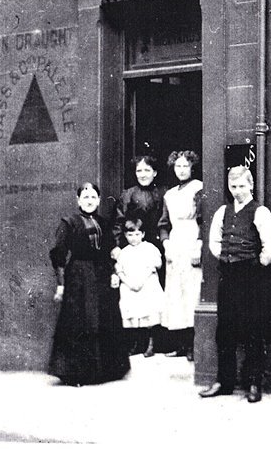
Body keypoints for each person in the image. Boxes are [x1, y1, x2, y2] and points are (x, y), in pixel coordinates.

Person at [199, 166, 271, 403]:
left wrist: (255, 263)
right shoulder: (222, 212)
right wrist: (226, 258)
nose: (237, 191)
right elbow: (214, 242)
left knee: (253, 330)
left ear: (251, 185)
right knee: (224, 331)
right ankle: (223, 382)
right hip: (228, 275)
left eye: (242, 186)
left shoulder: (260, 212)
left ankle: (253, 383)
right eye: (233, 186)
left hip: (251, 278)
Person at [48, 182, 130, 386]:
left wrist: (114, 272)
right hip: (78, 277)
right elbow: (59, 253)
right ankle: (76, 373)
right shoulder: (69, 222)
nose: (89, 201)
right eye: (85, 197)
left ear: (99, 200)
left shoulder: (103, 222)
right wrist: (61, 283)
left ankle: (106, 371)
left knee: (104, 318)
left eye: (93, 197)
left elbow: (110, 249)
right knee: (80, 322)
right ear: (78, 200)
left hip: (101, 275)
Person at [158, 150, 204, 359]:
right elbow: (164, 224)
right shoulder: (169, 194)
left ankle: (194, 346)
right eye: (178, 166)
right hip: (175, 243)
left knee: (192, 292)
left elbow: (204, 219)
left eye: (185, 166)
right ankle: (181, 344)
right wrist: (166, 243)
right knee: (175, 293)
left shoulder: (198, 188)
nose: (182, 170)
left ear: (192, 167)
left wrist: (198, 246)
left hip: (192, 239)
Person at [113, 155, 168, 287]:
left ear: (154, 173)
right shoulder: (127, 195)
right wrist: (117, 245)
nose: (143, 175)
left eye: (147, 170)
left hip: (157, 248)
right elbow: (119, 222)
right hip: (133, 247)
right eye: (139, 171)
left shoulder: (163, 193)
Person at [114, 216, 165, 357]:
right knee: (134, 313)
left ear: (142, 234)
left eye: (137, 234)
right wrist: (129, 282)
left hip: (146, 284)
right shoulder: (124, 252)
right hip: (131, 286)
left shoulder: (149, 248)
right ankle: (137, 344)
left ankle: (151, 345)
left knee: (149, 313)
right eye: (130, 235)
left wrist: (141, 281)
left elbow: (157, 265)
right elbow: (119, 269)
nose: (134, 238)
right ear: (125, 235)